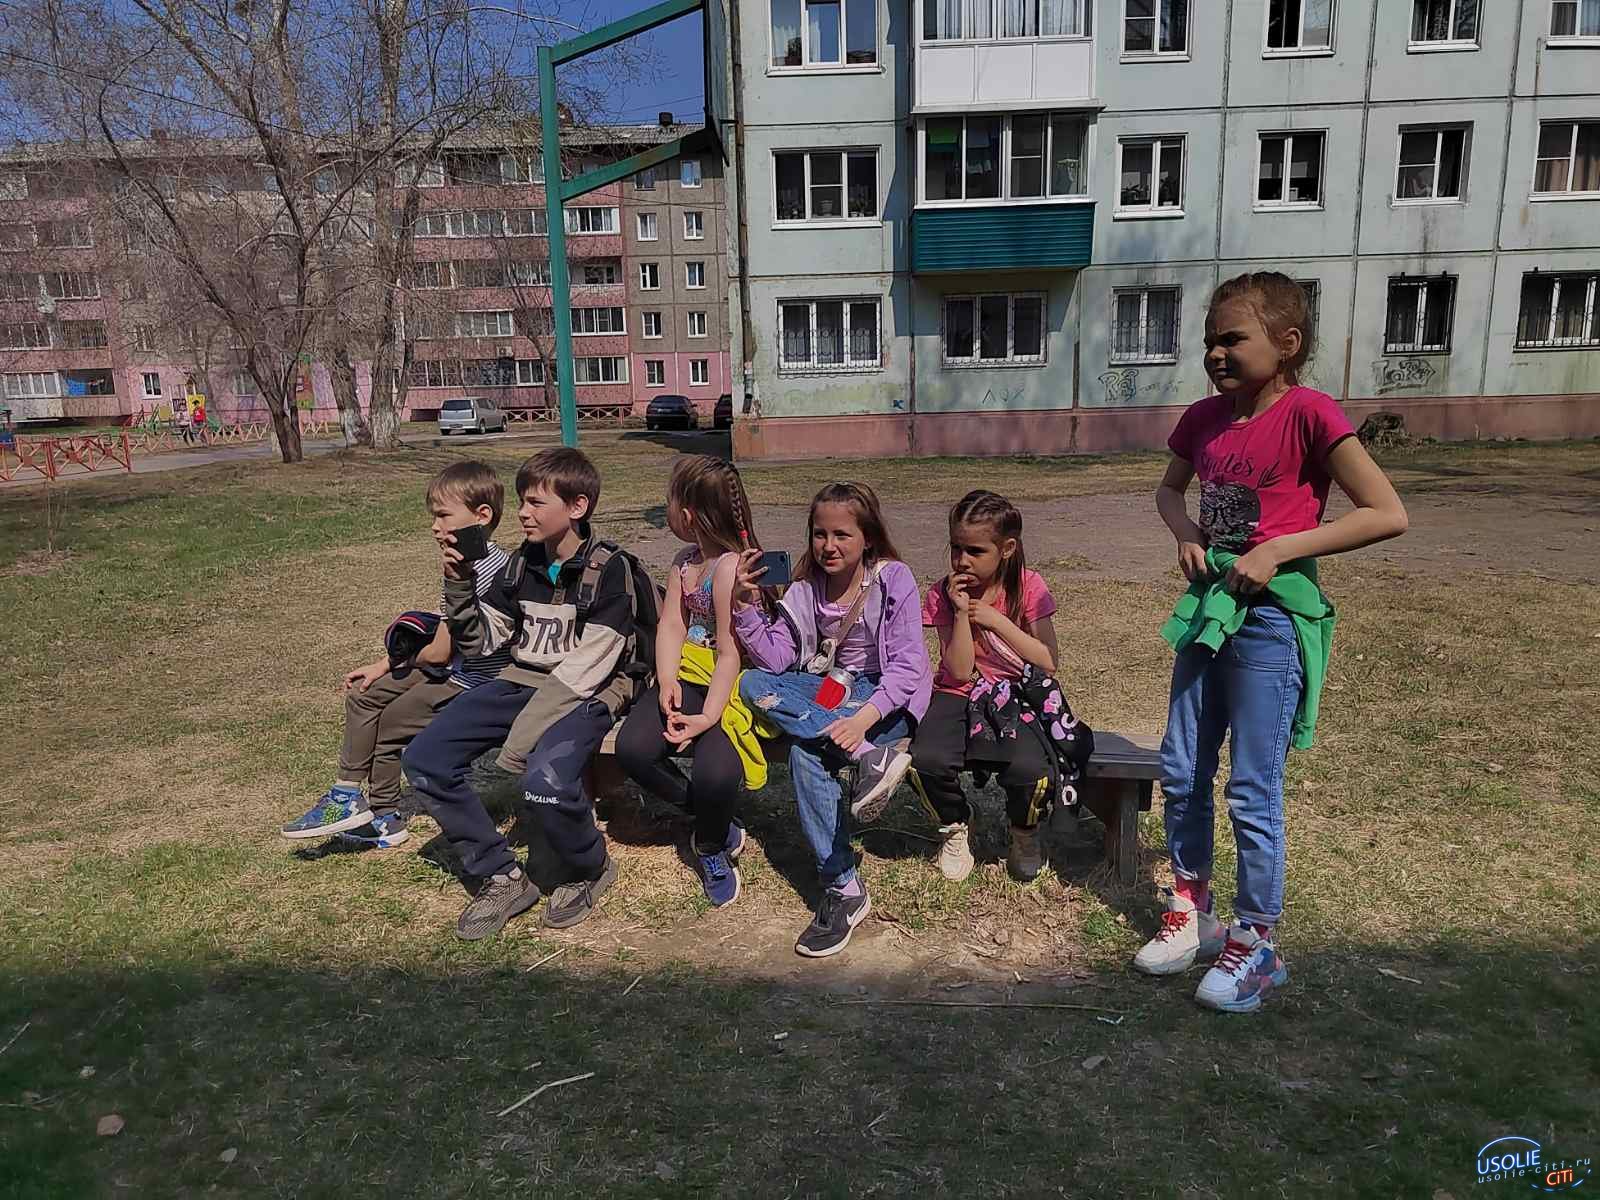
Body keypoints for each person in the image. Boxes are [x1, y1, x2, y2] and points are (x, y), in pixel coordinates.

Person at [1138, 271, 1407, 1012]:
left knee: (1252, 787)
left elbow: (1386, 513)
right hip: (1208, 611)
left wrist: (1280, 550)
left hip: (1269, 622)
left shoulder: (1311, 413)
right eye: (1209, 341)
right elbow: (1168, 491)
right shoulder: (1202, 420)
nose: (1216, 353)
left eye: (1233, 338)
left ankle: (1256, 944)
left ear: (1286, 344)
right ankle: (1194, 908)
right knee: (1182, 767)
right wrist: (1188, 535)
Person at [402, 448, 647, 940]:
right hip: (523, 678)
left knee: (545, 780)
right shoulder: (521, 565)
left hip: (588, 690)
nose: (522, 513)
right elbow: (482, 642)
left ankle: (590, 866)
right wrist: (458, 586)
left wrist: (519, 743)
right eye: (521, 501)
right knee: (426, 759)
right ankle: (501, 875)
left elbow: (585, 671)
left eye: (535, 503)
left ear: (576, 508)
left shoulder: (609, 570)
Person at [733, 482, 932, 958]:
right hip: (831, 692)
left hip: (882, 698)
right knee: (752, 684)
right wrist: (744, 606)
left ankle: (842, 887)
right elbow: (776, 661)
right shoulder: (805, 589)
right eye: (819, 534)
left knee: (805, 753)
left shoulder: (892, 579)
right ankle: (870, 760)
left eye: (842, 534)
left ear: (868, 536)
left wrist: (863, 722)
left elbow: (907, 668)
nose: (829, 546)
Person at [279, 461, 511, 848]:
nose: (435, 526)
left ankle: (380, 815)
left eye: (443, 515)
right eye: (432, 516)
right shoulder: (465, 561)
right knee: (363, 695)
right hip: (451, 667)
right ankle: (352, 796)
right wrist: (385, 664)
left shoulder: (485, 570)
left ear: (482, 515)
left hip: (471, 680)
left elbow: (439, 653)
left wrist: (406, 661)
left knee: (390, 725)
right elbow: (441, 634)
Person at [615, 455, 770, 908]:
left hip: (727, 689)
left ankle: (709, 845)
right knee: (633, 749)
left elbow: (729, 653)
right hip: (686, 676)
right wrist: (666, 679)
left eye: (669, 501)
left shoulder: (728, 569)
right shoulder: (684, 563)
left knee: (715, 775)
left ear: (686, 513)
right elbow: (670, 628)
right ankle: (709, 820)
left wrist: (706, 718)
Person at [909, 490, 1070, 883]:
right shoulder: (941, 594)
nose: (962, 560)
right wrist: (962, 613)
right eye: (956, 548)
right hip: (959, 693)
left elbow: (1047, 660)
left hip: (1014, 693)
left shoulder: (1029, 587)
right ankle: (955, 823)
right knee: (925, 758)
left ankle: (1024, 832)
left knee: (1032, 770)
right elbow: (960, 671)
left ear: (1007, 548)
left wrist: (998, 621)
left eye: (975, 551)